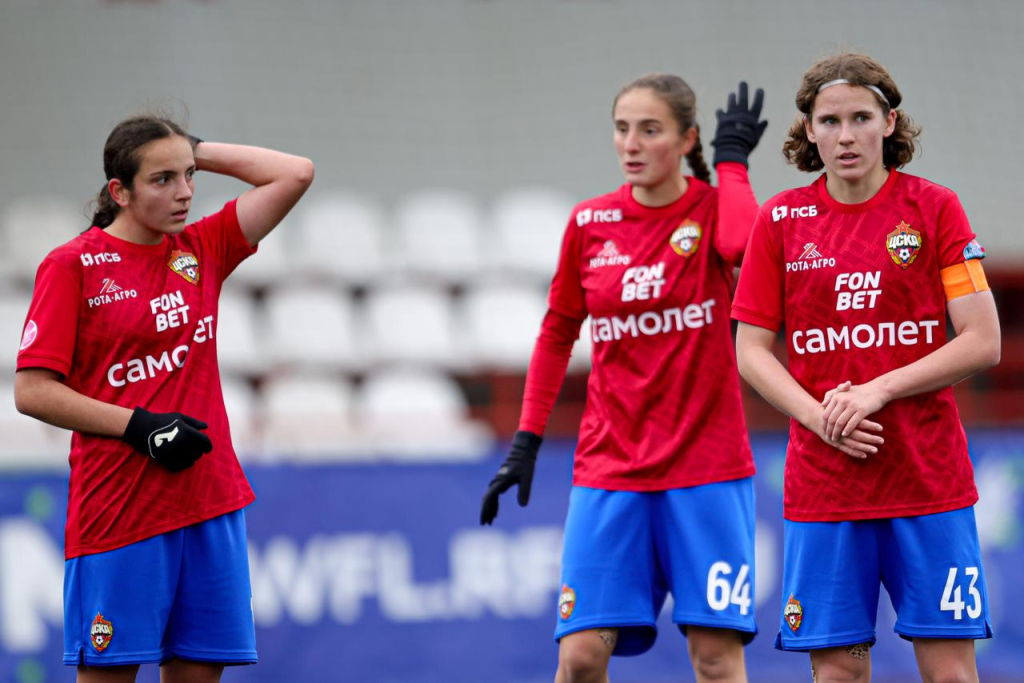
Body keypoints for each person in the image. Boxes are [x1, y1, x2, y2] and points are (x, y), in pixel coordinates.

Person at [481, 75, 767, 683]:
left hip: (707, 473)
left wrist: (733, 166)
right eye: (621, 128)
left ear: (687, 139)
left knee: (715, 660)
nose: (631, 143)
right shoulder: (591, 223)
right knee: (581, 656)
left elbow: (745, 243)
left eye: (650, 129)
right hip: (612, 471)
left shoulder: (714, 211)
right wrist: (526, 440)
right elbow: (558, 333)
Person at [13, 114, 314, 683]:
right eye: (162, 179)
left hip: (209, 500)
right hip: (121, 509)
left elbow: (295, 174)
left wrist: (190, 148)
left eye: (190, 175)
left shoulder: (202, 247)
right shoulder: (72, 265)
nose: (184, 193)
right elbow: (32, 392)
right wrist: (139, 426)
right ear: (118, 191)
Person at [732, 52, 999, 683]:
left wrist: (877, 390)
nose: (845, 136)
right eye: (829, 121)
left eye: (860, 118)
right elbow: (750, 349)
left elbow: (983, 340)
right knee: (841, 674)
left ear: (889, 122)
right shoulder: (781, 221)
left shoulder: (935, 209)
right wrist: (821, 417)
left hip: (927, 481)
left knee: (950, 672)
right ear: (809, 130)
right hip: (827, 489)